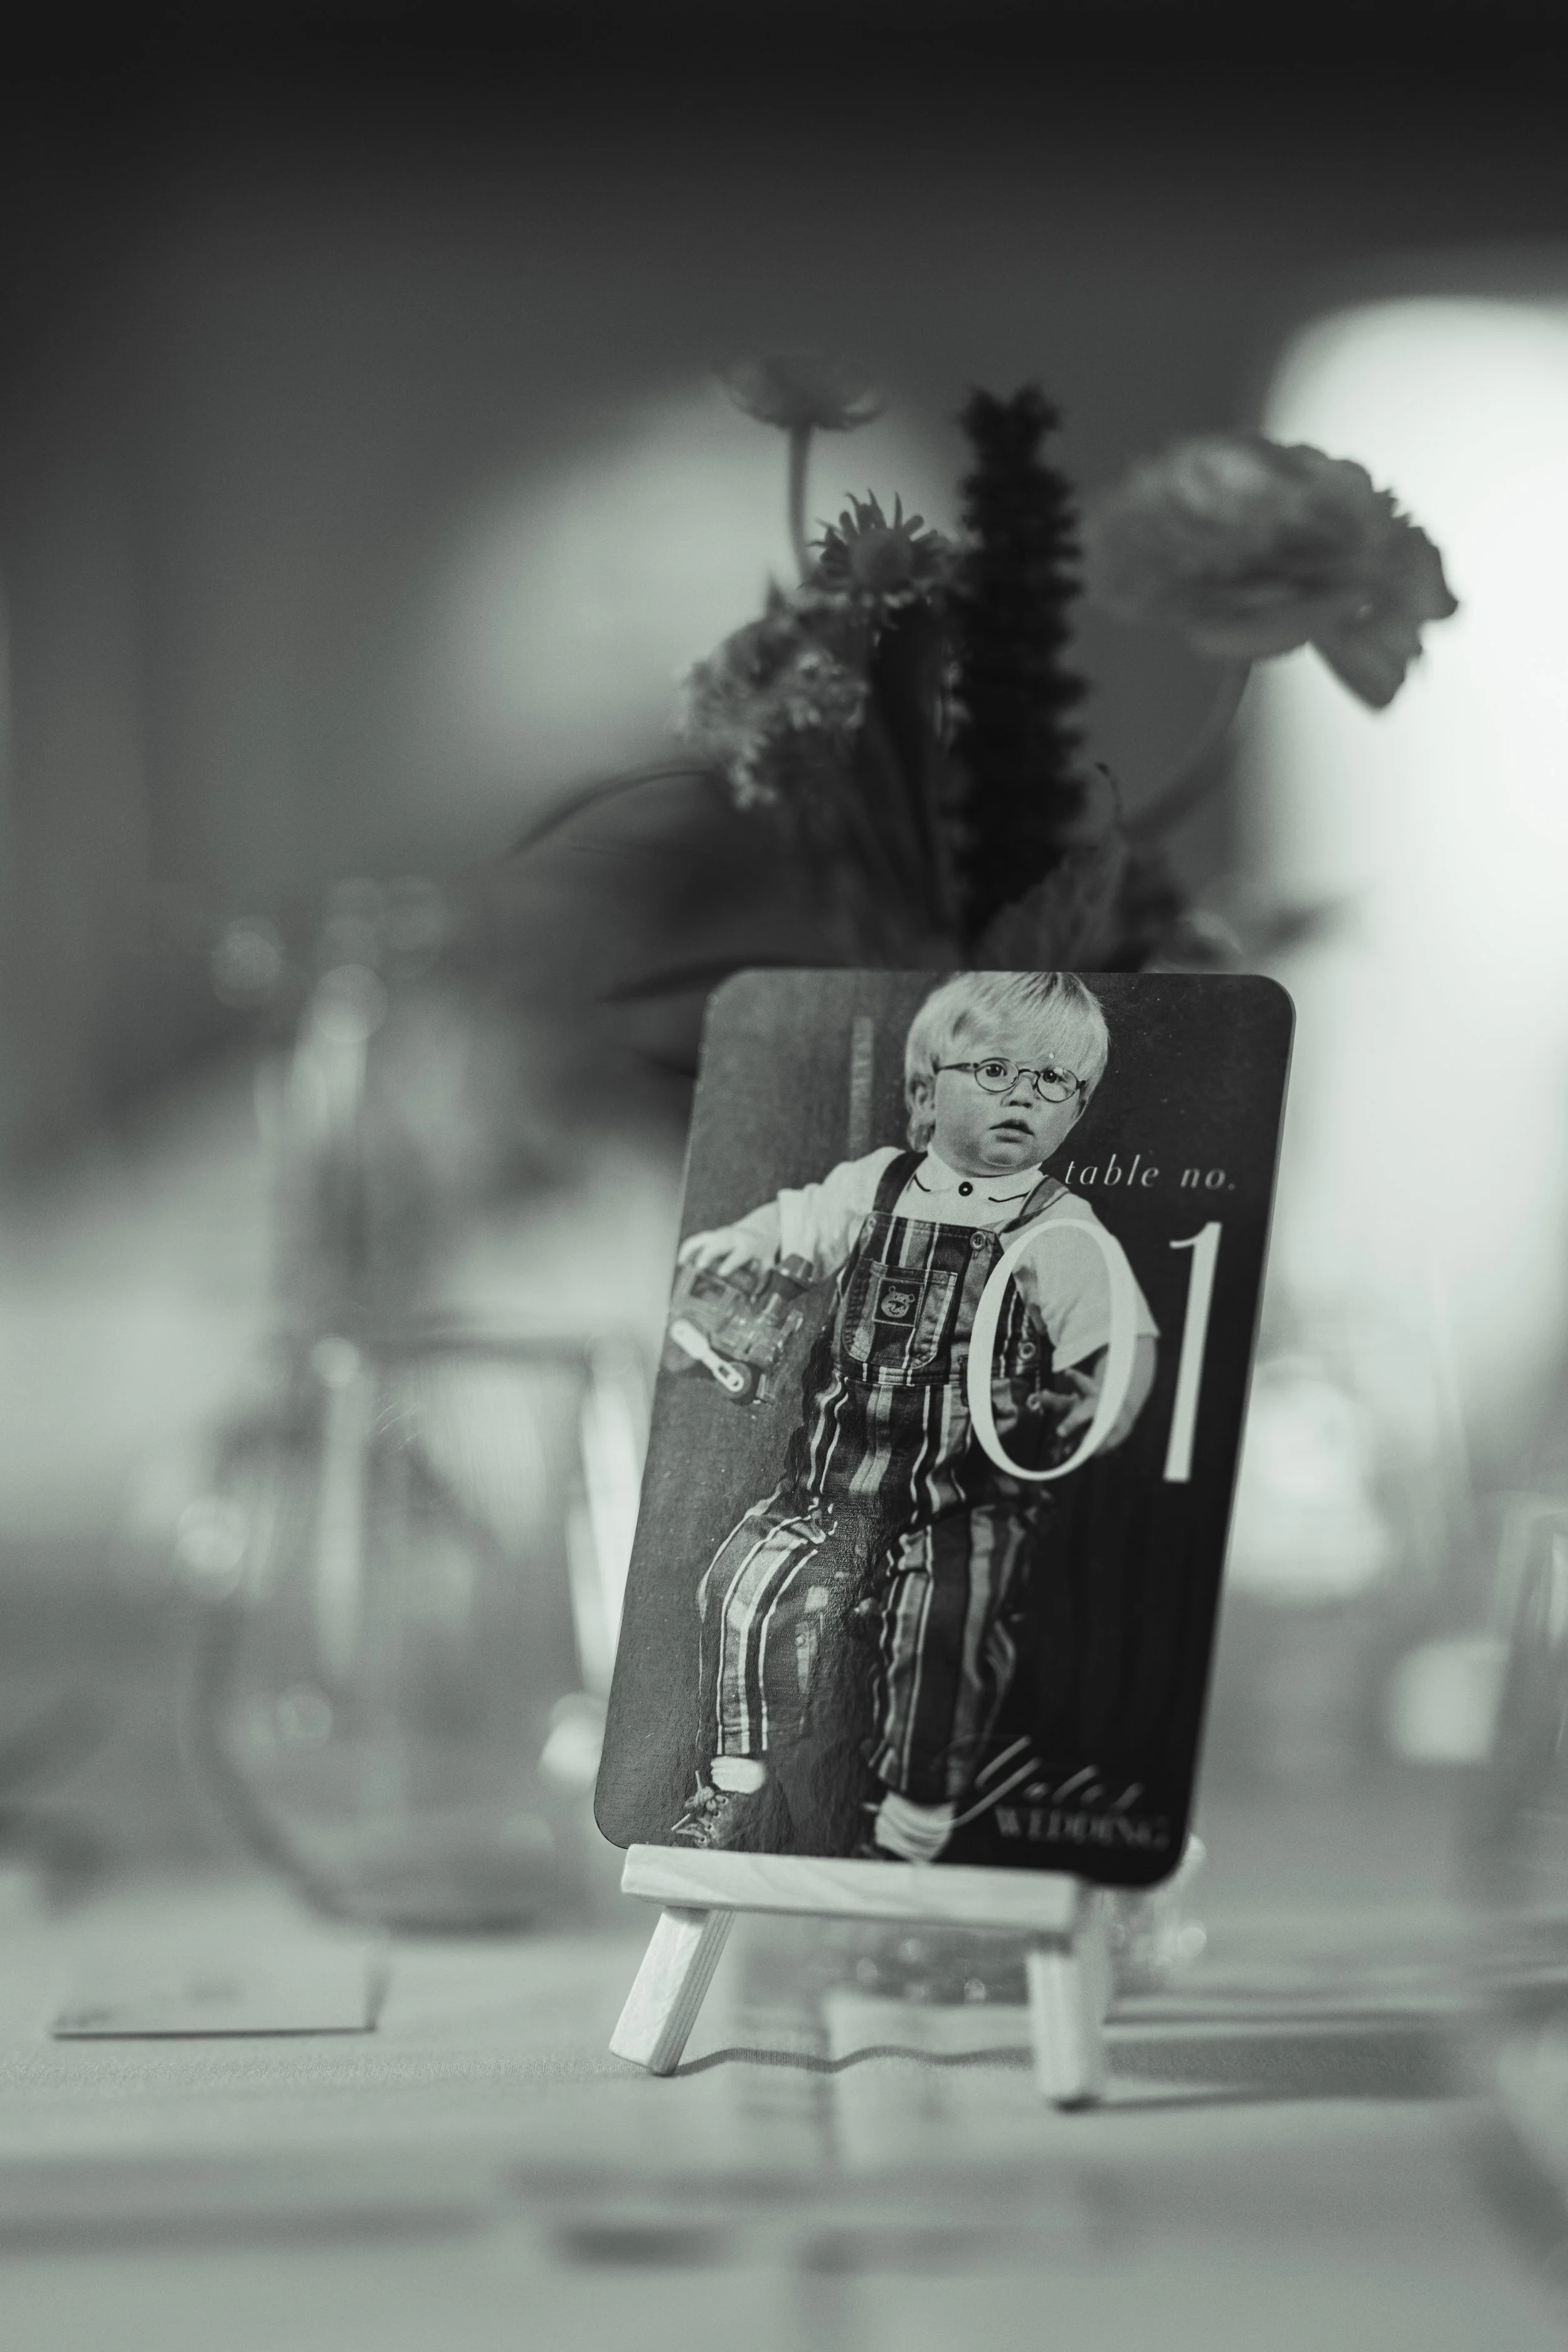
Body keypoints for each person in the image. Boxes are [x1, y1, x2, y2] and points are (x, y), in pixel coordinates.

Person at [670, 971, 1159, 1862]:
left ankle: (914, 1827)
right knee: (737, 1591)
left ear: (1078, 1108)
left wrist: (1100, 1406)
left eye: (1055, 1083)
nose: (1024, 1096)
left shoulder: (1064, 1226)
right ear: (926, 1094)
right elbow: (794, 1225)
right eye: (998, 1070)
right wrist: (745, 1244)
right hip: (828, 1483)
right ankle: (736, 1792)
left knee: (948, 1632)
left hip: (964, 1503)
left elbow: (1119, 1339)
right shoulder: (872, 1185)